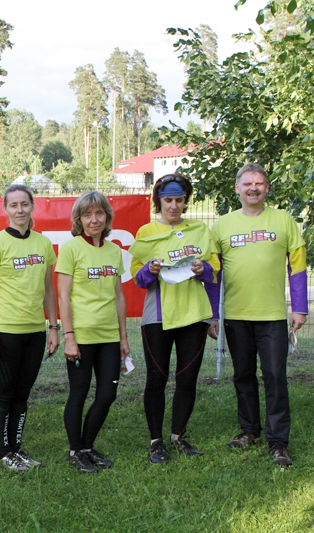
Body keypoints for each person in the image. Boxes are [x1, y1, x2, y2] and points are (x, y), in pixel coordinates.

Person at [212, 163, 308, 466]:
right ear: (237, 188)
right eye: (247, 183)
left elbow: (298, 267)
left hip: (273, 317)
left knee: (275, 377)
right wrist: (212, 315)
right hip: (236, 316)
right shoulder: (222, 225)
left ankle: (278, 442)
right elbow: (213, 275)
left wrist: (300, 308)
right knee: (243, 375)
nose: (253, 188)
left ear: (267, 188)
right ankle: (249, 430)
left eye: (259, 183)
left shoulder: (284, 220)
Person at [129, 174, 219, 464]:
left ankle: (178, 436)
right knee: (157, 378)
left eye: (179, 200)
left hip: (194, 315)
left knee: (187, 378)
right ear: (159, 201)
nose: (173, 206)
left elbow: (214, 271)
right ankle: (156, 441)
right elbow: (137, 278)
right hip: (158, 316)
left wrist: (203, 269)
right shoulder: (146, 231)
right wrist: (150, 270)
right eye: (168, 200)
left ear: (185, 201)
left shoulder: (199, 230)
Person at [0, 184, 59, 472]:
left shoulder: (43, 244)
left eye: (24, 204)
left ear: (32, 206)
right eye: (13, 205)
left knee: (22, 395)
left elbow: (48, 289)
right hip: (6, 332)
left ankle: (16, 449)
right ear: (5, 209)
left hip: (35, 332)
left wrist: (53, 327)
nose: (19, 210)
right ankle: (3, 454)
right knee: (4, 393)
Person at [56, 191, 129, 473]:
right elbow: (63, 297)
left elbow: (119, 296)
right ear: (79, 219)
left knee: (107, 395)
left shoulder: (114, 251)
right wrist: (69, 336)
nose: (94, 220)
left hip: (109, 336)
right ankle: (75, 451)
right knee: (79, 393)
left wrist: (123, 338)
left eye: (99, 213)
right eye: (87, 215)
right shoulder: (71, 249)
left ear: (107, 217)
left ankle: (87, 446)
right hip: (81, 336)